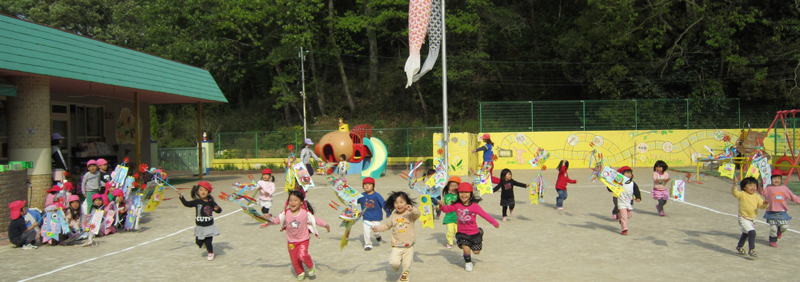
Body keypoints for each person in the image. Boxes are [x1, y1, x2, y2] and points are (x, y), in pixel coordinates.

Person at [440, 183, 499, 272]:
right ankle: (468, 263)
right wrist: (442, 206)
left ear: (471, 194)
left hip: (474, 233)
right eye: (461, 193)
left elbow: (484, 214)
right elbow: (447, 209)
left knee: (476, 252)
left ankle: (480, 235)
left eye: (466, 192)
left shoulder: (475, 206)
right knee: (466, 250)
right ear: (458, 194)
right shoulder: (456, 205)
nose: (463, 195)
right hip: (462, 233)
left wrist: (494, 223)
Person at [278, 190, 330, 281]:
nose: (292, 202)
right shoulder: (286, 213)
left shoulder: (305, 213)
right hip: (291, 241)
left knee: (302, 255)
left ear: (301, 202)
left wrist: (325, 224)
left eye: (295, 200)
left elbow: (315, 219)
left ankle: (310, 266)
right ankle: (300, 272)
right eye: (290, 200)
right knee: (294, 260)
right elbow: (276, 221)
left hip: (303, 239)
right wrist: (267, 218)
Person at [372, 191, 420, 282]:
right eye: (396, 202)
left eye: (401, 202)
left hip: (409, 245)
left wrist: (412, 209)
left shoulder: (410, 214)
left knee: (406, 265)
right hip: (396, 245)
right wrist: (377, 228)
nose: (399, 205)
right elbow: (387, 225)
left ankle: (403, 279)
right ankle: (396, 267)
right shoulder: (393, 216)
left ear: (407, 203)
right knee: (394, 263)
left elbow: (418, 214)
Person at [178, 181, 222, 261]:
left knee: (209, 241)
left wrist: (217, 209)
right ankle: (203, 243)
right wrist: (181, 197)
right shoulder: (196, 202)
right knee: (199, 242)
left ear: (208, 192)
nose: (203, 192)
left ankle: (210, 252)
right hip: (200, 226)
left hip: (209, 226)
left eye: (205, 190)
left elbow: (219, 210)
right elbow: (187, 204)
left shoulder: (211, 202)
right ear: (197, 191)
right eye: (201, 190)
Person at [759, 170, 800, 247]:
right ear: (770, 179)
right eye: (774, 178)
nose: (776, 180)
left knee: (784, 226)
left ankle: (780, 231)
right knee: (773, 228)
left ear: (781, 179)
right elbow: (761, 191)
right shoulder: (768, 188)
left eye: (778, 178)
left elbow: (793, 197)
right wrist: (761, 183)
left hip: (781, 212)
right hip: (771, 211)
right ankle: (772, 240)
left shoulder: (784, 188)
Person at [733, 177, 768, 257]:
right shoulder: (742, 194)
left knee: (745, 233)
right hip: (743, 218)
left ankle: (739, 246)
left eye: (755, 186)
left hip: (752, 219)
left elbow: (761, 206)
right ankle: (752, 249)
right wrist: (735, 184)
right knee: (752, 232)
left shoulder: (757, 196)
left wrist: (765, 204)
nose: (753, 187)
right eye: (750, 185)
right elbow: (735, 193)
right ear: (744, 187)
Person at [357, 177, 385, 251]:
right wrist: (346, 197)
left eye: (369, 184)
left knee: (376, 231)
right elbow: (354, 199)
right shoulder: (361, 195)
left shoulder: (377, 195)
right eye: (365, 184)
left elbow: (384, 204)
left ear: (373, 186)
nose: (367, 186)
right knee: (366, 232)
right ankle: (368, 245)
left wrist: (388, 212)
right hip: (366, 218)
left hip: (376, 218)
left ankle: (378, 236)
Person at [613, 166, 640, 235]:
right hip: (621, 203)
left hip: (629, 202)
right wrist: (611, 182)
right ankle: (624, 229)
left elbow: (636, 191)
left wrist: (638, 197)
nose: (628, 175)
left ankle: (619, 216)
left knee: (629, 215)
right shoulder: (619, 183)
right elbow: (611, 189)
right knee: (624, 217)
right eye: (626, 173)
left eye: (630, 173)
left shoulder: (632, 183)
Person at [442, 176, 460, 249]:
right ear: (448, 187)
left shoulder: (460, 196)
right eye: (451, 186)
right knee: (450, 231)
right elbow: (443, 205)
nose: (453, 188)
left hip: (458, 218)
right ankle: (450, 242)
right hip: (449, 218)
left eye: (455, 186)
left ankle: (460, 242)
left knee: (458, 232)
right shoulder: (446, 196)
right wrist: (437, 206)